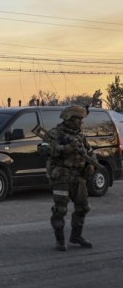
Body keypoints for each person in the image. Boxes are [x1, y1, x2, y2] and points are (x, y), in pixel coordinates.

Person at [41, 105, 95, 251]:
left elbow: (90, 152)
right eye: (79, 120)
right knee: (60, 209)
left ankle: (76, 236)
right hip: (61, 177)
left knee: (83, 207)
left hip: (78, 177)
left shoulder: (80, 136)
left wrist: (91, 165)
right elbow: (43, 149)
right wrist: (64, 149)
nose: (81, 123)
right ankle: (60, 240)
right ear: (71, 119)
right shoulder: (54, 134)